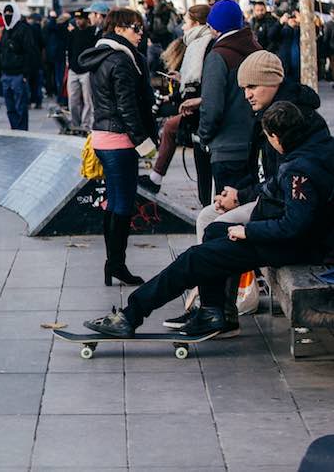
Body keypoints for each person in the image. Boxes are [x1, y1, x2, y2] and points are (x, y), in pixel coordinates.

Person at [84, 101, 334, 338]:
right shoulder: (310, 149)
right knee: (215, 231)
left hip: (296, 246)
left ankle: (131, 315)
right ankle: (212, 312)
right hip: (294, 238)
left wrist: (248, 232)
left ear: (276, 137)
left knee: (196, 258)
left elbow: (295, 226)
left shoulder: (300, 170)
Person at [78, 7, 157, 286]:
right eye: (135, 28)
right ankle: (116, 265)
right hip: (119, 140)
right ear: (120, 29)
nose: (140, 34)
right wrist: (144, 143)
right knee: (123, 204)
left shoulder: (103, 55)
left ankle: (113, 265)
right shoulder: (121, 60)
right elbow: (127, 107)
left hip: (103, 137)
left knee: (114, 201)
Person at [139, 4, 213, 193]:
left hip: (202, 108)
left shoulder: (203, 45)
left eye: (186, 22)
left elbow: (202, 79)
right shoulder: (197, 43)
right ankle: (156, 177)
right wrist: (181, 80)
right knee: (172, 127)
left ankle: (156, 178)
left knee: (172, 127)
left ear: (196, 23)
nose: (183, 26)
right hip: (196, 104)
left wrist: (188, 96)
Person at [199, 0, 261, 195]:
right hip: (253, 143)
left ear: (215, 27)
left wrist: (203, 135)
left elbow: (213, 106)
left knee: (224, 211)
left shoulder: (218, 56)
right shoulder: (257, 50)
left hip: (226, 146)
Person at [67, 4, 105, 130]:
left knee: (88, 100)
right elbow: (69, 50)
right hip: (73, 70)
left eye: (81, 19)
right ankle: (75, 124)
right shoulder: (73, 33)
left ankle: (85, 125)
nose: (78, 21)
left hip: (86, 71)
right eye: (76, 19)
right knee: (73, 100)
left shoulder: (92, 33)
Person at [0, 3, 33, 131]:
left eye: (10, 14)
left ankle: (22, 130)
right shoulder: (5, 31)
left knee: (20, 106)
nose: (8, 16)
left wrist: (25, 74)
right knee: (10, 107)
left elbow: (30, 52)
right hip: (6, 74)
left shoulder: (24, 29)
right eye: (5, 14)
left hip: (18, 74)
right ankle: (15, 129)